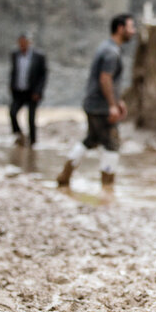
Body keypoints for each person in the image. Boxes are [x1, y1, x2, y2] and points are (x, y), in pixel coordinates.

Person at [56, 14, 135, 187]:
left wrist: (118, 101)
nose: (133, 31)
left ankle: (65, 175)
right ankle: (107, 187)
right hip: (101, 107)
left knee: (91, 140)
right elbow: (105, 79)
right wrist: (113, 106)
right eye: (131, 27)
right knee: (112, 143)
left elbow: (110, 81)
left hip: (94, 104)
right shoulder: (111, 52)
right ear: (120, 29)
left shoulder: (107, 47)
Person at [9, 33, 47, 146]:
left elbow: (43, 75)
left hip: (33, 92)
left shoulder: (38, 56)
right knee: (12, 112)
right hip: (19, 91)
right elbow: (13, 72)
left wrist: (38, 91)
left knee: (31, 118)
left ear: (29, 43)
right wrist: (11, 86)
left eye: (24, 43)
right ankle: (18, 134)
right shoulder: (15, 55)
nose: (22, 45)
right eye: (20, 43)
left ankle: (33, 141)